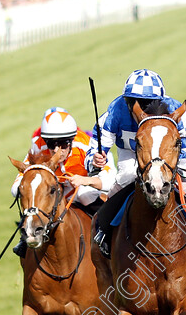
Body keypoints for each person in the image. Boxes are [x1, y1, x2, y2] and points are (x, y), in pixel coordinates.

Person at [87, 69, 186, 258]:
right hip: (132, 154)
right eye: (133, 102)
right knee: (122, 183)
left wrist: (168, 162)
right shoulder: (115, 112)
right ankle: (104, 235)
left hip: (169, 158)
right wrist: (96, 161)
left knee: (184, 188)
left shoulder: (178, 113)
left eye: (148, 103)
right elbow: (95, 151)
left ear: (160, 102)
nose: (140, 108)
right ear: (126, 101)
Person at [10, 107, 115, 257]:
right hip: (54, 189)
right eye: (52, 144)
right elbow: (17, 186)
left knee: (85, 194)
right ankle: (26, 236)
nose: (58, 150)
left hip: (84, 186)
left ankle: (108, 235)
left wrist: (85, 180)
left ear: (72, 140)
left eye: (64, 144)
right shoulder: (38, 146)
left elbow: (111, 181)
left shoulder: (86, 146)